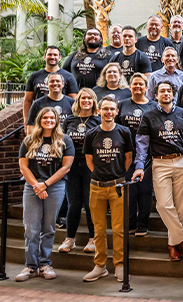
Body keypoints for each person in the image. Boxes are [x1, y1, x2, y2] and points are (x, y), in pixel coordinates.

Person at [133, 81, 183, 261]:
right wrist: (139, 166)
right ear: (156, 95)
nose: (166, 93)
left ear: (173, 94)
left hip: (182, 161)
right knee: (163, 205)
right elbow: (142, 145)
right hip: (160, 163)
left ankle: (173, 244)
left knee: (180, 207)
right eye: (162, 91)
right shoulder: (148, 116)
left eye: (169, 91)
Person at [15, 107, 74, 282]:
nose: (48, 120)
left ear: (57, 120)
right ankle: (30, 266)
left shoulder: (65, 140)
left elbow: (66, 167)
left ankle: (45, 264)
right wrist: (37, 186)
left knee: (48, 228)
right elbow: (23, 167)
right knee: (31, 228)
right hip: (32, 187)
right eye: (45, 117)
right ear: (40, 120)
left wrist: (46, 184)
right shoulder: (29, 140)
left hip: (54, 187)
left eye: (52, 118)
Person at [82, 96, 134, 282]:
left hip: (118, 187)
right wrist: (99, 174)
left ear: (117, 111)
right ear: (99, 111)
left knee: (119, 229)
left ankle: (119, 266)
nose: (108, 112)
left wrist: (118, 174)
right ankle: (100, 266)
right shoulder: (91, 134)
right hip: (96, 187)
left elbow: (128, 158)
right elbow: (89, 159)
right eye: (105, 109)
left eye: (112, 109)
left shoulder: (124, 132)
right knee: (99, 229)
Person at [58, 88, 100, 254]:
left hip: (91, 166)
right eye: (83, 98)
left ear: (94, 101)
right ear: (78, 100)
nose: (86, 101)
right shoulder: (69, 120)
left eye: (89, 98)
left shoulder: (97, 120)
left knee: (90, 204)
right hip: (72, 166)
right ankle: (69, 239)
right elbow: (61, 142)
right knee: (74, 203)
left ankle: (92, 238)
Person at [117, 73, 156, 236]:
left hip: (147, 155)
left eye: (141, 84)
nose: (138, 87)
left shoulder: (153, 106)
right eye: (135, 84)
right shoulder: (123, 104)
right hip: (126, 153)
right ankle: (131, 222)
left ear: (146, 87)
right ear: (130, 87)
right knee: (130, 190)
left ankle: (143, 223)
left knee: (144, 190)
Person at [23, 46, 79, 122]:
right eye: (49, 54)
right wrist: (26, 121)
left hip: (62, 119)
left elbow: (73, 102)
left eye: (55, 55)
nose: (52, 57)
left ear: (60, 58)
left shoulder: (69, 77)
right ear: (44, 57)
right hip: (40, 120)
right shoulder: (34, 76)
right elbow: (27, 101)